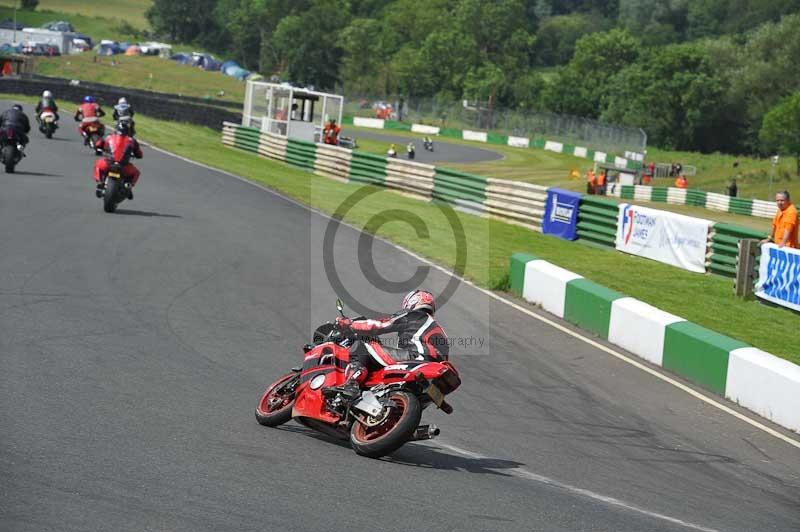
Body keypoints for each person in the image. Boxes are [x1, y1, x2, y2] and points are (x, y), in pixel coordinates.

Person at [324, 290, 449, 399]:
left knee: (362, 345)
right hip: (433, 371)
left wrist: (350, 324)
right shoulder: (440, 329)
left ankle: (351, 386)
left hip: (417, 358)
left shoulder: (414, 315)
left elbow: (381, 325)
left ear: (412, 302)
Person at [93, 120, 143, 200]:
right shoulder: (132, 141)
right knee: (136, 173)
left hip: (108, 163)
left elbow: (98, 144)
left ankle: (99, 182)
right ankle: (129, 186)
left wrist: (100, 148)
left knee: (97, 165)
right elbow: (139, 154)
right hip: (124, 166)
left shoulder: (109, 137)